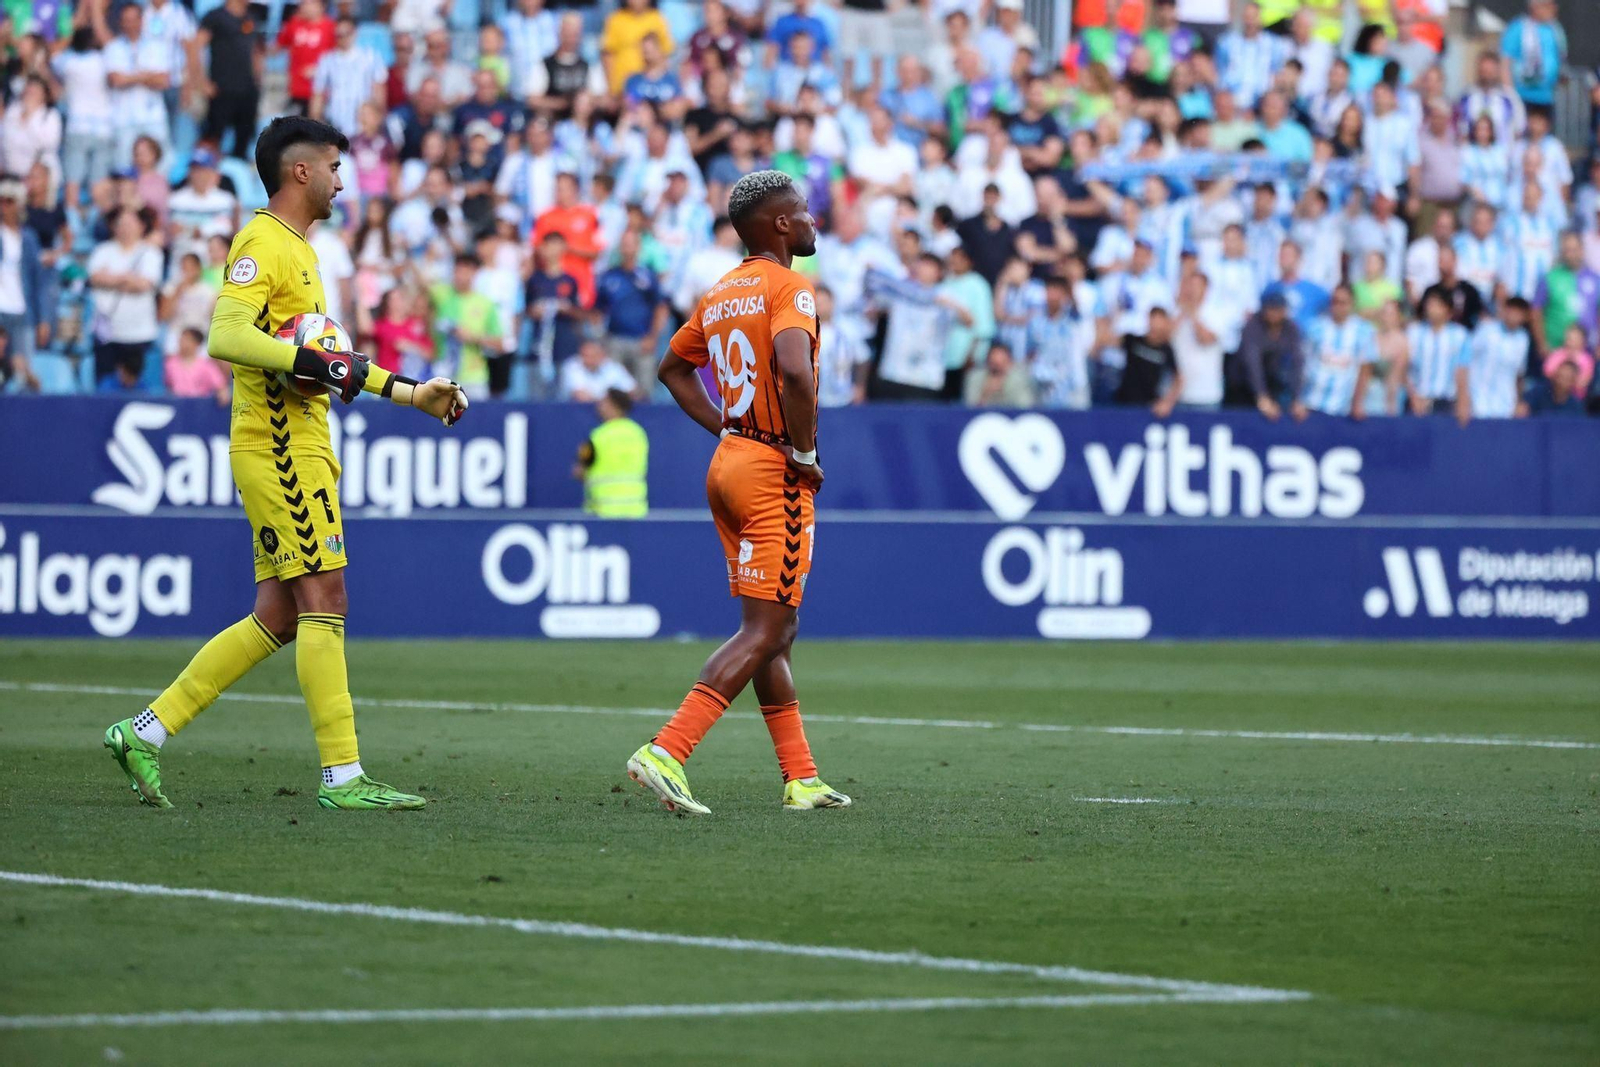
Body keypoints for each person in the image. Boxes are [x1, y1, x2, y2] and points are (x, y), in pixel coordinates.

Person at [102, 116, 468, 813]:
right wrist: (317, 361)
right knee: (326, 597)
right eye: (334, 165)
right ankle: (343, 775)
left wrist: (414, 394)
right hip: (277, 446)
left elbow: (327, 364)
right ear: (300, 170)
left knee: (279, 614)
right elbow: (227, 335)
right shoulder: (261, 241)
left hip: (299, 442)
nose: (342, 178)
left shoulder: (303, 251)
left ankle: (142, 732)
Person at [630, 169, 850, 816]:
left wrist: (726, 425)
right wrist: (804, 453)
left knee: (773, 629)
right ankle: (667, 749)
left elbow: (672, 367)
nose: (812, 220)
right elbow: (795, 373)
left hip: (728, 462)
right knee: (768, 624)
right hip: (772, 469)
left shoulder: (722, 292)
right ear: (780, 224)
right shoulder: (792, 288)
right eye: (804, 211)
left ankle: (801, 777)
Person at [1297, 285, 1378, 420]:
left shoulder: (1364, 332)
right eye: (1335, 301)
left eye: (1343, 303)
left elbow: (1365, 369)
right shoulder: (1315, 328)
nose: (1338, 306)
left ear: (1352, 304)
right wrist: (1298, 399)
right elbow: (1302, 364)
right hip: (1311, 404)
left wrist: (1357, 403)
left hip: (1342, 408)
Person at [574, 387, 649, 517]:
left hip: (603, 512)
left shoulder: (598, 436)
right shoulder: (638, 433)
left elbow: (580, 472)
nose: (599, 406)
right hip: (636, 510)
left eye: (604, 402)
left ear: (614, 406)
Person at [1405, 288, 1472, 422]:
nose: (1431, 309)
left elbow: (1462, 370)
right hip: (1418, 400)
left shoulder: (1460, 335)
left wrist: (1463, 402)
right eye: (1429, 304)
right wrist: (1413, 397)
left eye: (1437, 305)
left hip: (1446, 402)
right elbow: (1405, 368)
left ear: (1447, 309)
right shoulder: (1413, 332)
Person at [1468, 298, 1532, 421]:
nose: (1514, 316)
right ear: (1505, 310)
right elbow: (1466, 362)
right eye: (1512, 311)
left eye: (1519, 314)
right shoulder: (1486, 329)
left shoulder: (1523, 339)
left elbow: (1519, 374)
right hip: (1478, 400)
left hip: (1505, 404)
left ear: (1524, 318)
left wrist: (1518, 402)